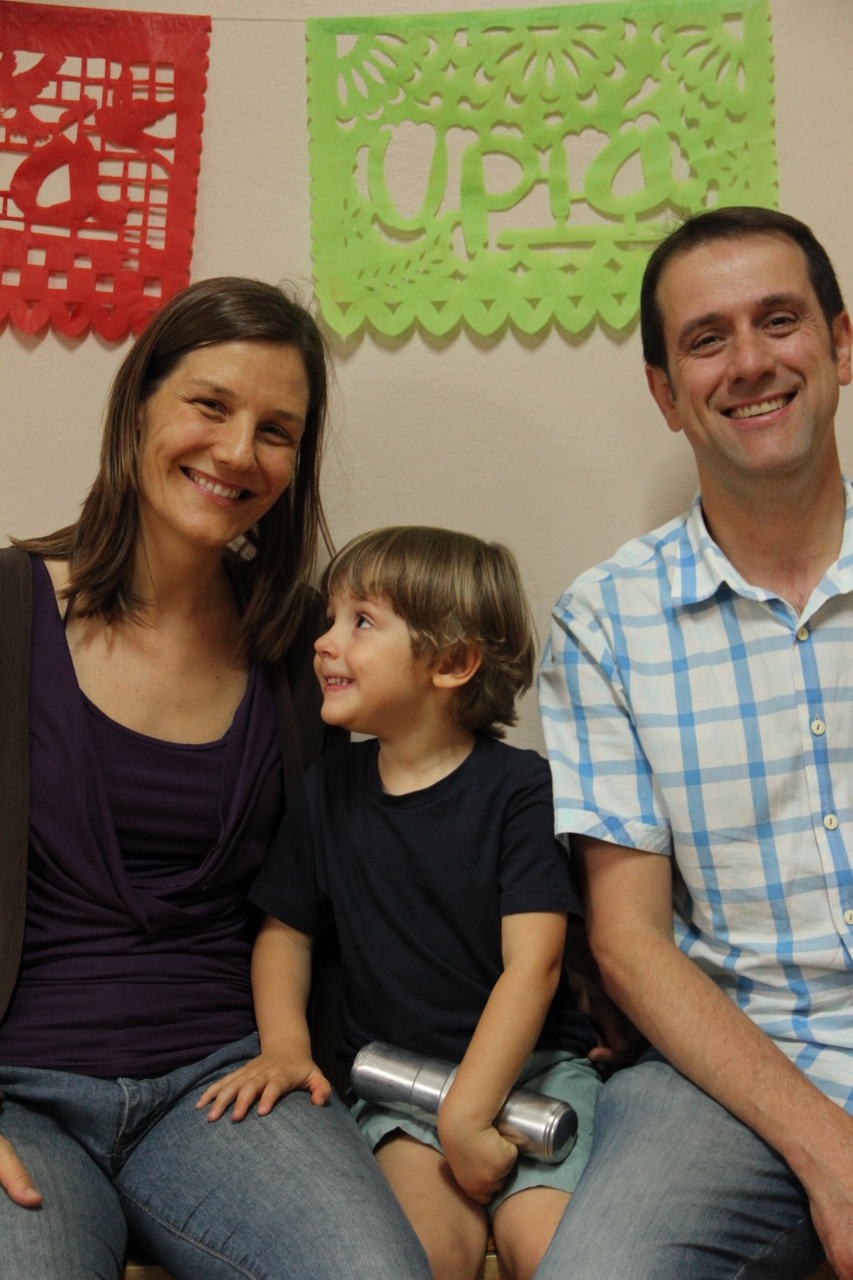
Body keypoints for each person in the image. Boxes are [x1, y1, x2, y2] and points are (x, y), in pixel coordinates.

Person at [0, 278, 431, 1280]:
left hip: (227, 1086)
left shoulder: (307, 650)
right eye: (210, 405)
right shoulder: (10, 608)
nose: (238, 452)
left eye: (276, 430)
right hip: (18, 1092)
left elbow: (414, 812)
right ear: (137, 406)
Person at [537, 206, 853, 1280]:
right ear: (666, 393)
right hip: (730, 1068)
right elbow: (628, 942)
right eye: (707, 339)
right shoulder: (604, 623)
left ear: (840, 345)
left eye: (779, 320)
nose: (750, 362)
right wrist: (830, 1152)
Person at [197, 526, 603, 1280]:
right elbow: (285, 934)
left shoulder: (518, 788)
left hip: (536, 1078)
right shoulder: (328, 790)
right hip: (401, 1087)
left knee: (551, 1253)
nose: (324, 642)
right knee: (421, 1255)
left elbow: (536, 965)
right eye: (330, 619)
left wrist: (469, 1113)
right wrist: (285, 1046)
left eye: (360, 622)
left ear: (451, 663)